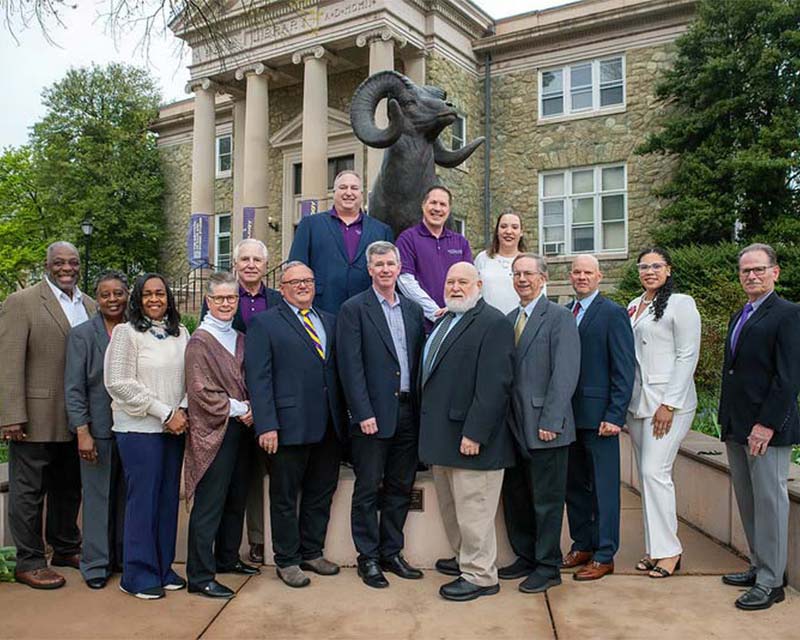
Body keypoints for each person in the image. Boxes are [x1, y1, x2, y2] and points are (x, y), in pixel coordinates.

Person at [245, 261, 346, 589]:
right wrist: (266, 425)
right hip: (286, 426)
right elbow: (258, 378)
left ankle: (312, 551)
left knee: (321, 491)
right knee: (285, 496)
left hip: (328, 424)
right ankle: (287, 559)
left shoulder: (329, 321)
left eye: (308, 281)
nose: (302, 286)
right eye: (294, 282)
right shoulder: (265, 323)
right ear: (283, 288)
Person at [0, 241, 95, 590]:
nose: (66, 267)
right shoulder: (21, 302)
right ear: (47, 264)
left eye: (73, 262)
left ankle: (66, 547)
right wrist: (11, 415)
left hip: (76, 419)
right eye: (59, 262)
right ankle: (29, 561)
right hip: (35, 416)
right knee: (28, 492)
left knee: (69, 488)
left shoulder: (89, 305)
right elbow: (7, 362)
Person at [419, 262, 515, 602]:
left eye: (463, 281)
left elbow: (495, 386)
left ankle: (480, 575)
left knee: (475, 512)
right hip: (443, 439)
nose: (455, 287)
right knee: (453, 510)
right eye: (450, 282)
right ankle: (465, 560)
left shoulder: (493, 324)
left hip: (472, 441)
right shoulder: (446, 320)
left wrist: (475, 433)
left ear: (479, 286)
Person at [336, 241, 426, 589]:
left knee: (401, 487)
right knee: (368, 488)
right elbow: (350, 366)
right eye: (380, 265)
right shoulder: (353, 309)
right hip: (372, 415)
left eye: (391, 263)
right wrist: (362, 412)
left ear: (399, 267)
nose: (386, 269)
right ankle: (368, 558)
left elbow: (417, 363)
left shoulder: (413, 311)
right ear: (370, 270)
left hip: (408, 412)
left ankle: (392, 552)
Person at [718, 243, 800, 610]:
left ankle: (772, 581)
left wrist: (766, 424)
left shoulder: (788, 314)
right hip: (737, 425)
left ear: (775, 272)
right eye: (745, 271)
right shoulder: (741, 314)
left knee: (770, 503)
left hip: (766, 429)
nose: (751, 276)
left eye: (758, 270)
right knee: (748, 502)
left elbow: (788, 378)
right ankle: (758, 566)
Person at [104, 273, 190, 600]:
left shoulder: (180, 332)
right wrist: (164, 413)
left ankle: (162, 567)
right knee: (143, 501)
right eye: (147, 295)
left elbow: (188, 376)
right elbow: (119, 383)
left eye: (161, 294)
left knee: (167, 500)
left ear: (168, 297)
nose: (155, 300)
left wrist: (180, 411)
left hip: (174, 428)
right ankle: (137, 574)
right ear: (137, 299)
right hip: (139, 430)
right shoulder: (126, 334)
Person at [501, 253, 580, 594]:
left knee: (546, 500)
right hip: (513, 426)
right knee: (517, 496)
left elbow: (565, 373)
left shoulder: (559, 317)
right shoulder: (508, 319)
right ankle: (527, 555)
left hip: (546, 425)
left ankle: (548, 565)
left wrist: (552, 418)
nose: (522, 279)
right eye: (517, 274)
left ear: (543, 278)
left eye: (528, 274)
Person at [200, 238, 281, 566]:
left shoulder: (276, 300)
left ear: (265, 265)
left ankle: (265, 540)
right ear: (235, 264)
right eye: (244, 259)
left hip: (267, 402)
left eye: (256, 260)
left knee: (270, 474)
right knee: (239, 481)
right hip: (232, 409)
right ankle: (235, 547)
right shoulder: (221, 301)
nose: (250, 264)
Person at [185, 272, 261, 599]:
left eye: (232, 297)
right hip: (215, 430)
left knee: (236, 497)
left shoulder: (240, 337)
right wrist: (241, 408)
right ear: (208, 300)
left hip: (243, 429)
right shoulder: (200, 341)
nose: (227, 303)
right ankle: (200, 575)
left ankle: (227, 559)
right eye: (220, 298)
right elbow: (200, 391)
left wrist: (252, 408)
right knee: (210, 504)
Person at [626, 247, 701, 579]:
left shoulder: (681, 304)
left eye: (656, 266)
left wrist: (669, 404)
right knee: (646, 477)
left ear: (668, 270)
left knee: (655, 471)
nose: (650, 271)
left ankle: (670, 551)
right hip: (639, 403)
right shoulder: (633, 305)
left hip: (670, 403)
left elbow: (687, 356)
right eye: (644, 266)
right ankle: (655, 548)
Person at [561, 255, 634, 581]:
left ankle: (605, 554)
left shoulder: (613, 313)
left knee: (604, 490)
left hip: (601, 418)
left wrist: (615, 414)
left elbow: (624, 369)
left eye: (587, 272)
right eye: (576, 272)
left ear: (599, 276)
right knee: (574, 487)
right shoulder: (566, 313)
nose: (581, 277)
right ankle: (583, 544)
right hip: (569, 418)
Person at [64, 270, 129, 590]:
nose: (113, 299)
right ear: (96, 298)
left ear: (127, 295)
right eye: (106, 294)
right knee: (97, 500)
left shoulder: (135, 329)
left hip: (134, 430)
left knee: (125, 500)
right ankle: (95, 564)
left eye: (118, 293)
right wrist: (82, 431)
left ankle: (120, 558)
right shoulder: (82, 335)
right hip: (98, 430)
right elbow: (74, 388)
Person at [288, 170, 394, 315]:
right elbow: (296, 267)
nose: (348, 193)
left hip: (368, 310)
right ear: (334, 192)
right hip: (322, 307)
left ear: (361, 195)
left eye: (354, 188)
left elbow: (389, 273)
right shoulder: (310, 225)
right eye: (343, 188)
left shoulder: (381, 230)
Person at [396, 186, 473, 328]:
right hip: (421, 326)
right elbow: (405, 282)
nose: (437, 208)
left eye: (443, 204)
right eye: (433, 203)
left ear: (449, 210)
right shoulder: (407, 239)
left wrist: (454, 310)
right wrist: (436, 313)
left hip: (457, 323)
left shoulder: (460, 242)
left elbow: (469, 281)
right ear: (423, 205)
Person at [473, 212, 527, 314]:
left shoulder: (528, 262)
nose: (508, 231)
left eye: (515, 227)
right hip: (488, 322)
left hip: (520, 324)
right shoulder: (482, 258)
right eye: (503, 226)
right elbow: (473, 291)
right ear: (497, 231)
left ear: (521, 232)